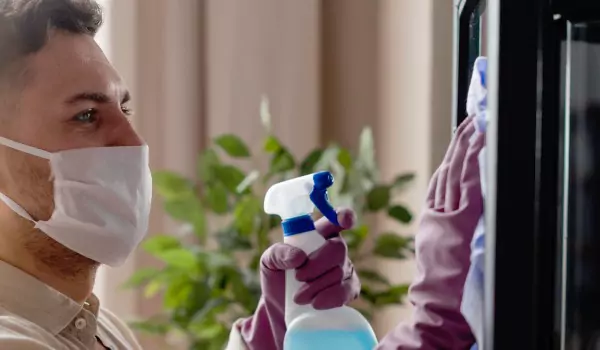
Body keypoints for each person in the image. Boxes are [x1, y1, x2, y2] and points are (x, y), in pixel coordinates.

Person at [0, 0, 359, 349]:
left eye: (124, 109)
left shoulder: (102, 329)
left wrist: (272, 329)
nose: (134, 142)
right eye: (86, 115)